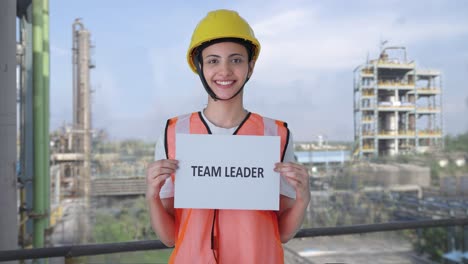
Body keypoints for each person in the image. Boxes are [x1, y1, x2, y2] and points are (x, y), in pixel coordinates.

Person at [146, 9, 311, 264]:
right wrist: (152, 196)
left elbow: (284, 233)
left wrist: (302, 199)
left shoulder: (275, 135)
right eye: (213, 60)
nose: (224, 71)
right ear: (200, 66)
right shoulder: (174, 133)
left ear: (250, 67)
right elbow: (170, 238)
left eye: (236, 60)